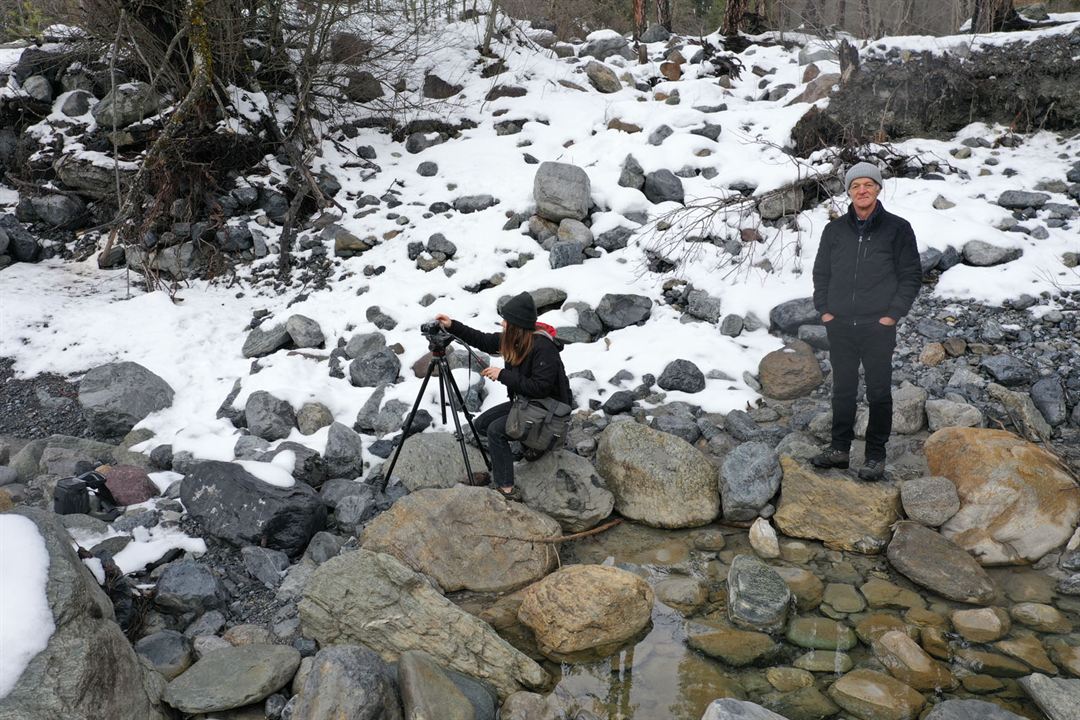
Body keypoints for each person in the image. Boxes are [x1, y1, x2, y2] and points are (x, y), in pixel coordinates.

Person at [810, 162, 921, 481]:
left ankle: (875, 455)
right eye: (856, 185)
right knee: (842, 389)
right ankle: (839, 450)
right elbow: (821, 273)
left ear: (878, 189)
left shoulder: (898, 229)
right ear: (848, 191)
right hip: (840, 324)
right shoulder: (834, 230)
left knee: (879, 392)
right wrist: (825, 311)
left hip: (878, 326)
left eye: (868, 185)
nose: (862, 190)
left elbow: (911, 276)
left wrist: (892, 316)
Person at [435, 291, 572, 499]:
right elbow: (482, 340)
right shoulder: (515, 339)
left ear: (517, 325)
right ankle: (527, 443)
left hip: (549, 410)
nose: (502, 324)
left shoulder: (544, 347)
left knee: (495, 432)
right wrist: (452, 325)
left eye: (506, 321)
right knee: (481, 425)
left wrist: (503, 375)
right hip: (527, 403)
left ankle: (506, 488)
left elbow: (540, 388)